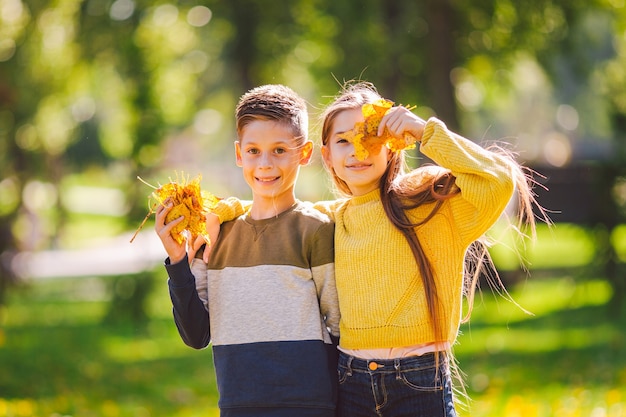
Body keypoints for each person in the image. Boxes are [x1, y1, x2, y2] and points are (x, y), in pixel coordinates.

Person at [210, 81, 544, 416]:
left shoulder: (430, 206)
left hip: (420, 379)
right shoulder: (331, 219)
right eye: (343, 141)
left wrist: (425, 132)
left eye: (369, 138)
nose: (357, 150)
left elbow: (497, 181)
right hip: (351, 380)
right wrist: (223, 212)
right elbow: (272, 211)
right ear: (326, 156)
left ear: (392, 147)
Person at [154, 84, 340, 417]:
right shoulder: (214, 235)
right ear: (239, 154)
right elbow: (196, 334)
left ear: (305, 153)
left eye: (280, 150)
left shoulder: (315, 231)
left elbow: (339, 329)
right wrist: (179, 261)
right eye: (254, 151)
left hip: (311, 406)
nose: (265, 163)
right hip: (238, 405)